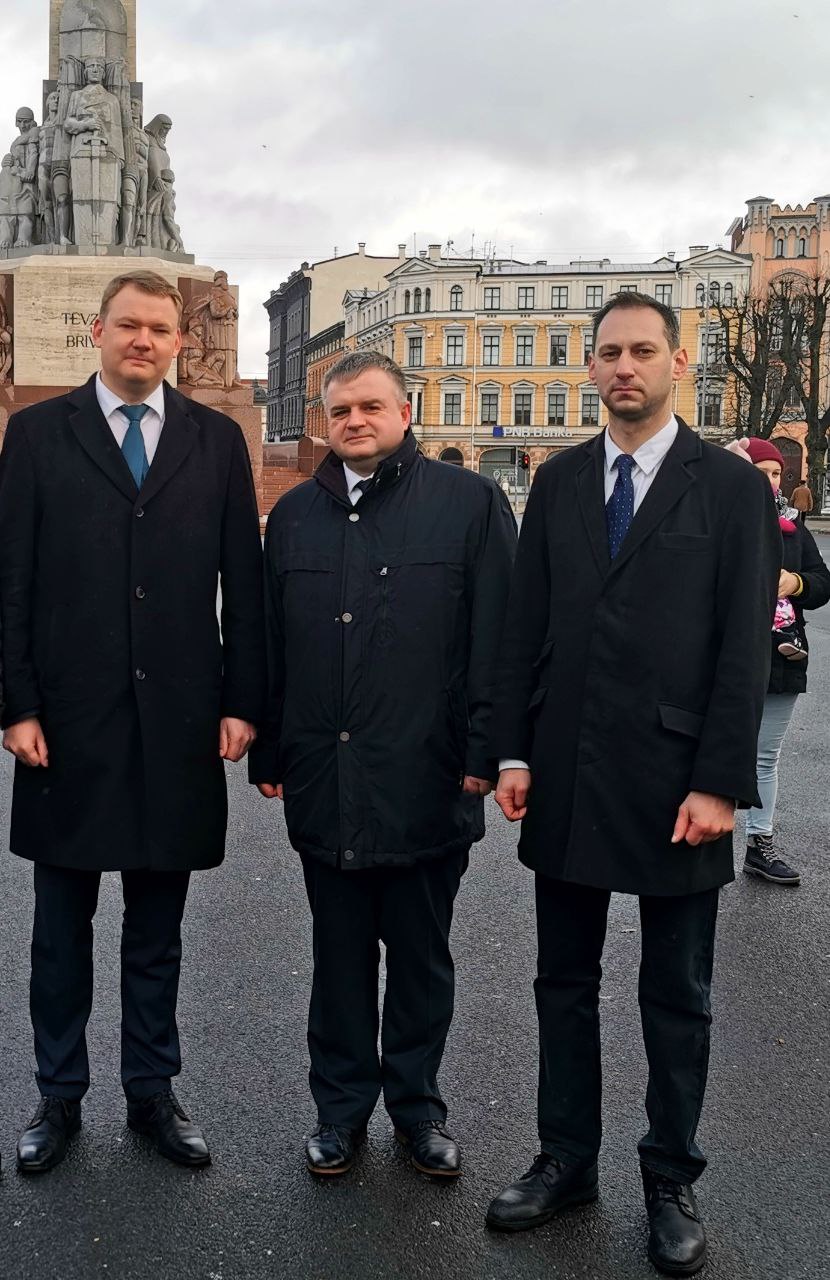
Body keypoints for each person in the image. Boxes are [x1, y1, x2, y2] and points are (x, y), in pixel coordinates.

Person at [485, 291, 780, 1276]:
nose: (624, 366)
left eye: (642, 350)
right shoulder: (559, 481)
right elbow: (524, 625)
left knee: (675, 994)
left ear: (677, 362)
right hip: (567, 769)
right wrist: (514, 751)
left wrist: (721, 782)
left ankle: (669, 1177)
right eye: (608, 351)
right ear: (589, 366)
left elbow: (741, 647)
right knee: (562, 982)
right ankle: (565, 1158)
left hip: (675, 782)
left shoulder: (728, 488)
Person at [0, 269, 264, 1175]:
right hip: (68, 724)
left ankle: (152, 1091)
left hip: (179, 720)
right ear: (98, 331)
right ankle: (58, 1095)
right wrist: (16, 704)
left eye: (159, 328)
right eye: (128, 326)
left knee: (158, 928)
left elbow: (243, 582)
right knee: (59, 930)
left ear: (179, 342)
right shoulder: (39, 433)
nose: (143, 340)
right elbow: (11, 576)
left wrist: (243, 699)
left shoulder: (216, 439)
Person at [249, 350, 516, 1179]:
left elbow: (500, 638)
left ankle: (417, 1109)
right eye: (341, 411)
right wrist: (270, 746)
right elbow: (272, 642)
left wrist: (486, 749)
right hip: (325, 775)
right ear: (325, 423)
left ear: (406, 413)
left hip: (431, 774)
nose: (355, 421)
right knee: (337, 961)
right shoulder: (296, 514)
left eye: (371, 407)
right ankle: (339, 1111)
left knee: (421, 961)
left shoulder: (469, 502)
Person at [739, 438, 830, 886]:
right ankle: (693, 839)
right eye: (762, 472)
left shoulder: (793, 526)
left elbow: (822, 582)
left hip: (781, 656)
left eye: (776, 474)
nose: (771, 481)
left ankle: (760, 843)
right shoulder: (717, 517)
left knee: (765, 757)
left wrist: (795, 582)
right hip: (726, 659)